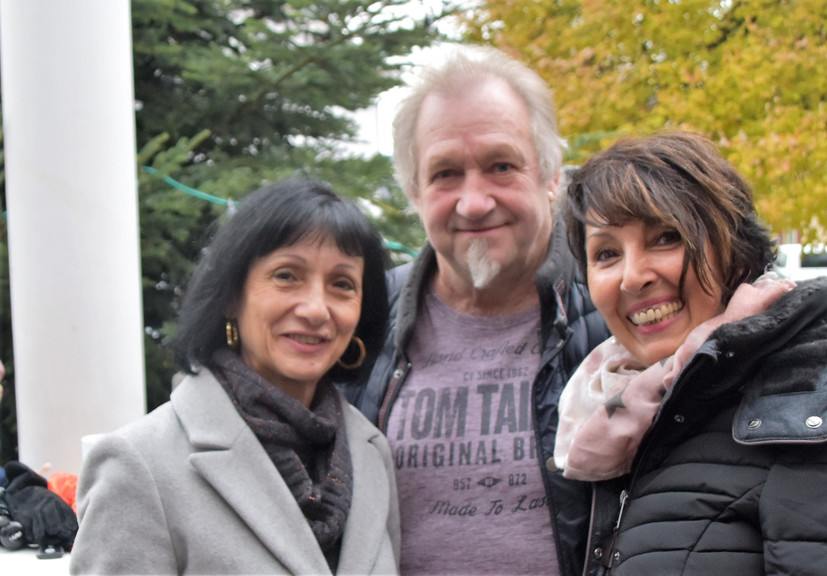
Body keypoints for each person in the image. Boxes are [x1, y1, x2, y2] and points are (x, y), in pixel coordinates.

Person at [556, 132, 827, 575]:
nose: (632, 276)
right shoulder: (607, 417)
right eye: (606, 253)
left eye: (666, 237)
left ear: (736, 256)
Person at [346, 45, 608, 575]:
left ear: (551, 177)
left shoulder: (617, 311)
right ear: (414, 193)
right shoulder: (360, 320)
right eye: (445, 174)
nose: (473, 202)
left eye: (501, 166)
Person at [71, 178, 400, 575]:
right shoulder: (139, 464)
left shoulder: (372, 454)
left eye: (342, 284)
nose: (316, 309)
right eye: (286, 275)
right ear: (231, 295)